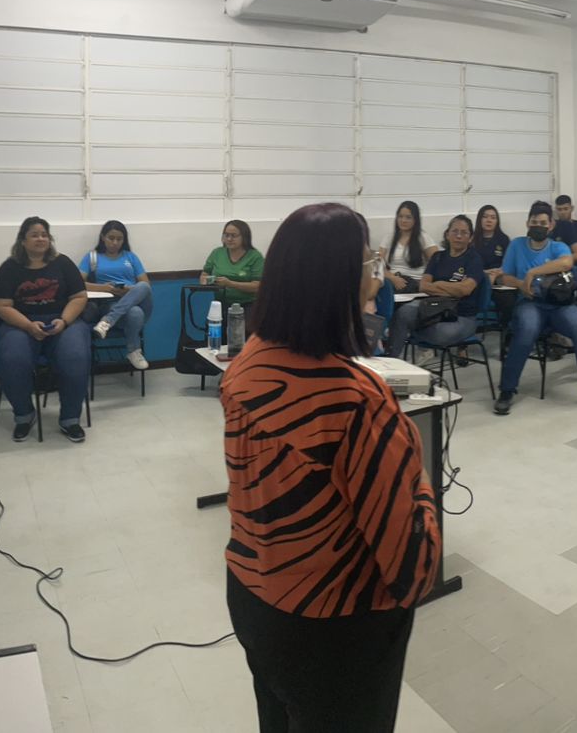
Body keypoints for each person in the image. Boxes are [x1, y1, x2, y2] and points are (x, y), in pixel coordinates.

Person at [222, 202, 439, 733]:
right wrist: (417, 474)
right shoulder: (357, 401)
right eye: (367, 263)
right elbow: (414, 566)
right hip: (334, 623)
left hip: (255, 596)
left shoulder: (248, 361)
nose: (373, 272)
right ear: (337, 281)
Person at [495, 201, 577, 415]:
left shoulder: (558, 246)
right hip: (530, 303)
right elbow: (505, 277)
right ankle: (507, 390)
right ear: (527, 223)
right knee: (525, 331)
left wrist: (532, 273)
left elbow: (566, 263)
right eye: (534, 222)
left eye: (542, 223)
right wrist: (521, 284)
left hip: (560, 305)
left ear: (551, 225)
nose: (538, 226)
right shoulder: (517, 245)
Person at [0, 216, 90, 443]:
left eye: (44, 234)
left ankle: (70, 419)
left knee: (76, 356)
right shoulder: (9, 268)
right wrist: (27, 325)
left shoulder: (63, 263)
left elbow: (79, 297)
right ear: (22, 241)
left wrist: (64, 321)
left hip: (62, 322)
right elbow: (1, 305)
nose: (40, 239)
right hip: (21, 324)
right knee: (12, 358)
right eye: (34, 235)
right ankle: (24, 415)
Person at [385, 215, 488, 359]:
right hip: (433, 309)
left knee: (440, 333)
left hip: (461, 316)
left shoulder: (474, 259)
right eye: (455, 231)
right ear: (447, 234)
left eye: (464, 232)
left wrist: (439, 284)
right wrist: (454, 288)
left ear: (470, 237)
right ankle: (391, 360)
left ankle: (408, 332)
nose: (458, 236)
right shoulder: (438, 257)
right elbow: (423, 286)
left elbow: (465, 290)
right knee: (402, 313)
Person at [80, 219, 152, 370]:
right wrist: (104, 288)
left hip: (134, 299)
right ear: (103, 237)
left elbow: (145, 284)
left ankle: (107, 321)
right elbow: (79, 283)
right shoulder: (92, 257)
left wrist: (128, 290)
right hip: (109, 303)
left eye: (119, 239)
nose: (115, 242)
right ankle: (133, 351)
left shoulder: (130, 257)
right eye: (111, 238)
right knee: (135, 313)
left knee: (144, 287)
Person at [203, 220, 264, 320]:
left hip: (247, 307)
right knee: (214, 328)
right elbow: (204, 274)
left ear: (244, 237)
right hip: (220, 305)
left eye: (234, 236)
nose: (229, 239)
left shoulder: (255, 256)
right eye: (226, 235)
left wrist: (230, 284)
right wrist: (206, 281)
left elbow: (257, 286)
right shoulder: (217, 253)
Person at [382, 200, 438, 294]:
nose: (403, 220)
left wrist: (424, 282)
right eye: (400, 216)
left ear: (415, 220)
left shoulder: (423, 238)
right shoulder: (389, 238)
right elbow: (377, 264)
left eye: (408, 217)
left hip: (416, 284)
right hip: (393, 282)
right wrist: (392, 278)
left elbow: (437, 263)